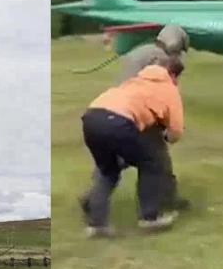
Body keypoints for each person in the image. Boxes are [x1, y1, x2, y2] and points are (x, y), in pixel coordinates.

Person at [79, 25, 191, 219]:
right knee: (156, 160)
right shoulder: (159, 58)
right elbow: (159, 89)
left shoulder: (141, 50)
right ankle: (162, 203)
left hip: (116, 106)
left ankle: (93, 199)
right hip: (137, 114)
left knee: (111, 162)